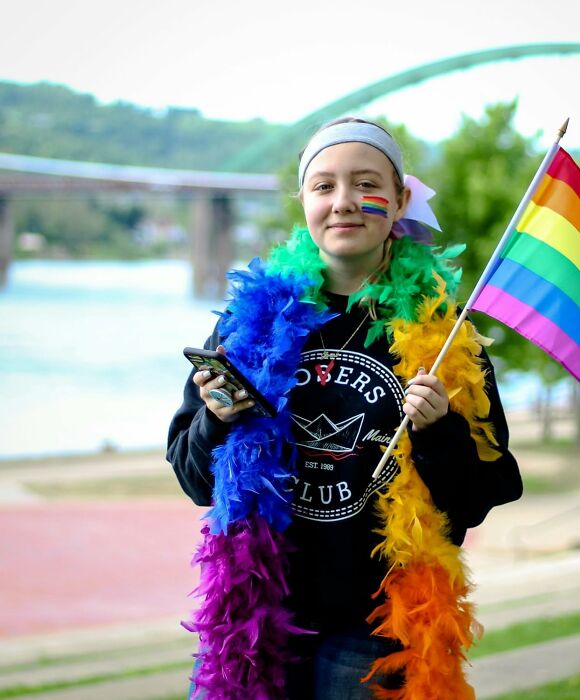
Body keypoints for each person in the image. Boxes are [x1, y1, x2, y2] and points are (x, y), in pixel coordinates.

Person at [167, 118, 523, 700]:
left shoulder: (444, 337)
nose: (345, 203)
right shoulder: (245, 328)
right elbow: (194, 479)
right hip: (256, 622)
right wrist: (216, 419)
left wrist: (439, 432)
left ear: (402, 199)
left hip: (377, 627)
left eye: (366, 184)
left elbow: (484, 495)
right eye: (325, 186)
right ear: (303, 200)